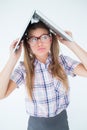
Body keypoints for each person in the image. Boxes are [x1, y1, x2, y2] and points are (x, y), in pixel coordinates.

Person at [0, 21, 87, 130]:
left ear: (50, 39)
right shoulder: (24, 68)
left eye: (44, 37)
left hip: (61, 123)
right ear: (28, 44)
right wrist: (12, 59)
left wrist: (71, 43)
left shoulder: (63, 62)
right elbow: (1, 94)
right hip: (36, 126)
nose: (39, 43)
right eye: (33, 39)